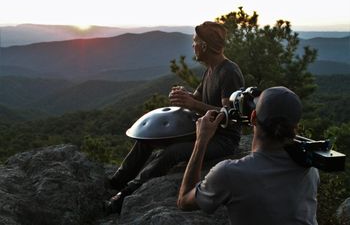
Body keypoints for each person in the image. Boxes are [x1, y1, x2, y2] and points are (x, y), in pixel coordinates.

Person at [104, 21, 245, 214]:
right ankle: (118, 181)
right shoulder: (211, 70)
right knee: (148, 138)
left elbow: (229, 115)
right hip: (202, 131)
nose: (193, 45)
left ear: (204, 45)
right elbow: (196, 97)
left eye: (195, 41)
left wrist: (194, 104)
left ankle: (128, 192)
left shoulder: (228, 72)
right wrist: (184, 96)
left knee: (173, 152)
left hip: (223, 139)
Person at [177, 86, 319, 225]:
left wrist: (201, 141)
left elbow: (184, 201)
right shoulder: (310, 167)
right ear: (295, 127)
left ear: (253, 117)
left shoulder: (230, 173)